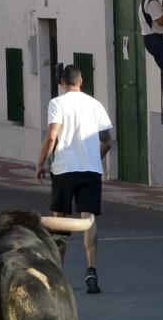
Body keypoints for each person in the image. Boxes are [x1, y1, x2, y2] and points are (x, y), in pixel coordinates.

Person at [36, 64, 113, 295]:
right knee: (88, 220)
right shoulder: (95, 104)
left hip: (64, 169)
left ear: (62, 83)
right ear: (81, 82)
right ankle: (91, 269)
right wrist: (94, 158)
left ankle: (57, 275)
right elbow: (107, 141)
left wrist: (41, 162)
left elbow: (52, 136)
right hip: (91, 170)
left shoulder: (57, 103)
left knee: (59, 220)